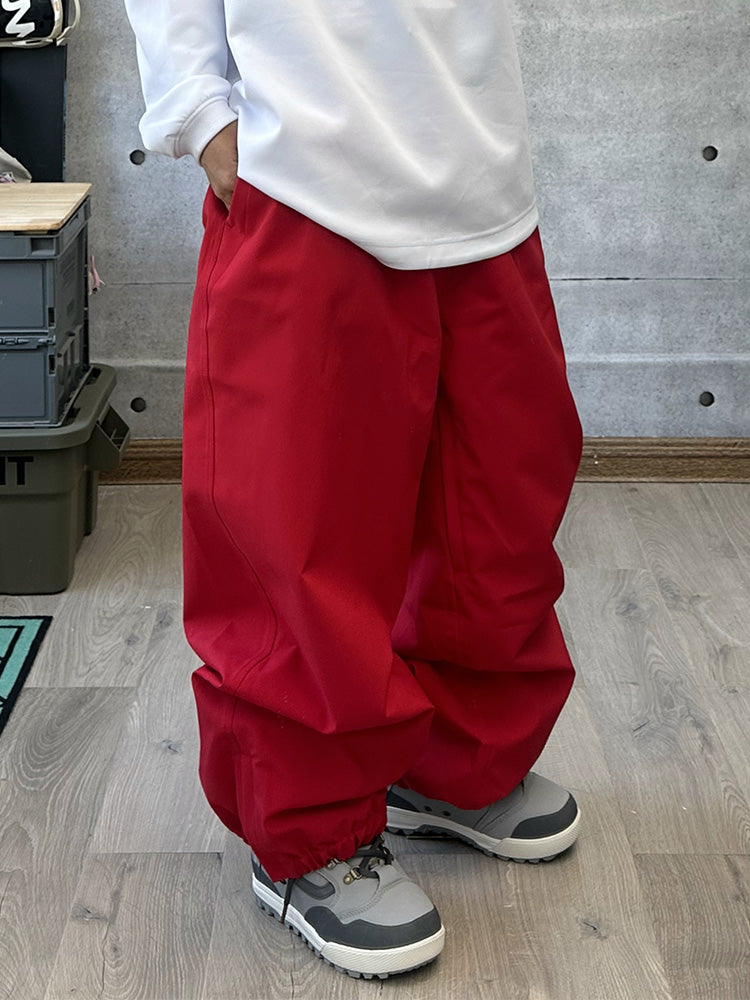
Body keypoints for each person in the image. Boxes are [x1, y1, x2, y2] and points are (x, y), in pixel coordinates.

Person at [123, 0, 584, 980]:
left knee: (496, 506)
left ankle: (455, 762)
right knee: (299, 528)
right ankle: (309, 835)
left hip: (477, 158)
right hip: (306, 171)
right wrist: (199, 112)